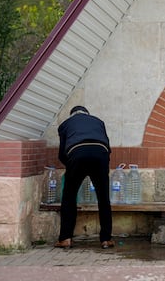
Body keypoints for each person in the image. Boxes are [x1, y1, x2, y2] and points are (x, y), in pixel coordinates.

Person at [54, 106, 114, 249]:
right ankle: (106, 239)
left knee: (69, 196)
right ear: (88, 114)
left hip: (77, 153)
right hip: (100, 153)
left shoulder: (65, 125)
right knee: (103, 198)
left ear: (72, 114)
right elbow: (108, 147)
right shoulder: (98, 122)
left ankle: (65, 238)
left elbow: (62, 154)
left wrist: (72, 168)